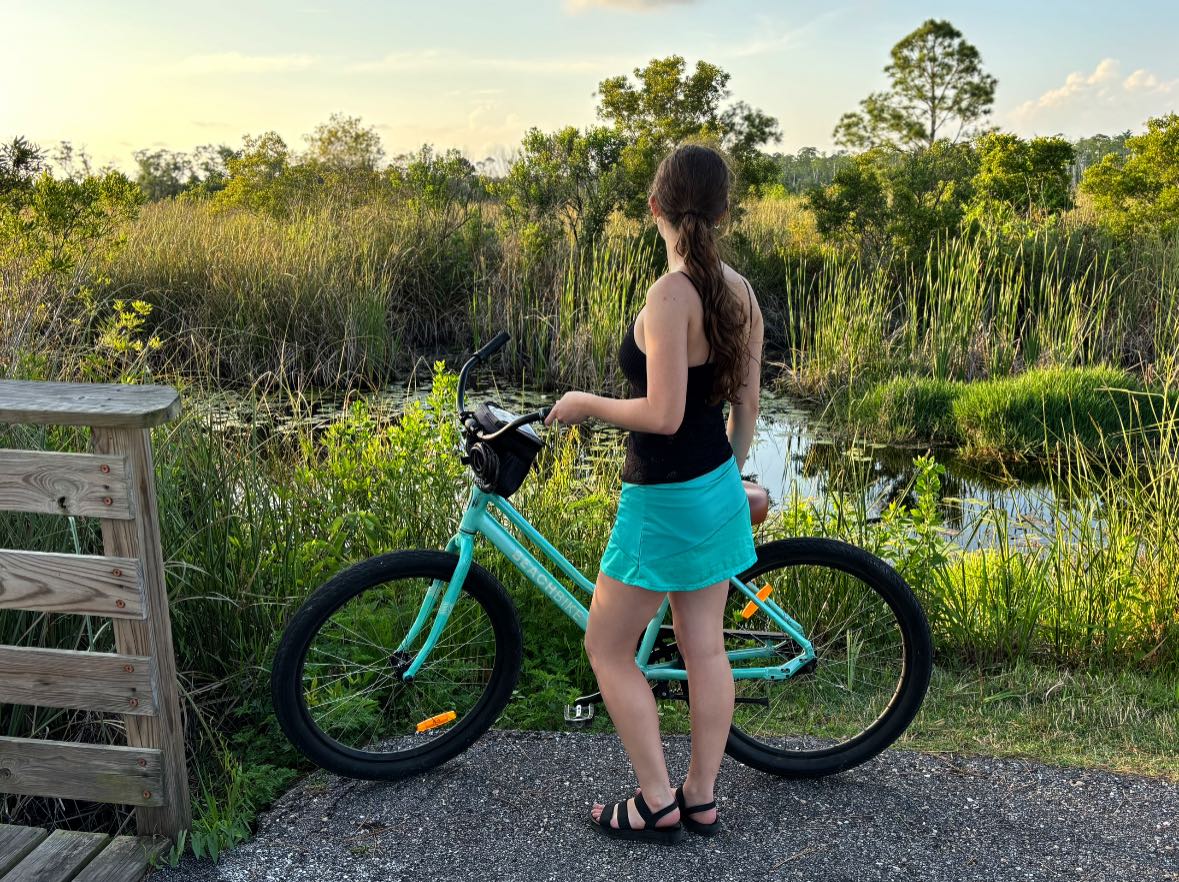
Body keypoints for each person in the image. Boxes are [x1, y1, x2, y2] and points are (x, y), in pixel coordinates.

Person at [543, 143, 763, 844]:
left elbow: (663, 415)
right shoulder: (739, 290)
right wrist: (727, 480)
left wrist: (586, 402)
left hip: (662, 498)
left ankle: (656, 800)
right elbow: (747, 407)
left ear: (654, 206)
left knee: (607, 646)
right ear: (723, 210)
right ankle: (700, 796)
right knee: (705, 649)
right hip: (714, 486)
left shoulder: (670, 295)